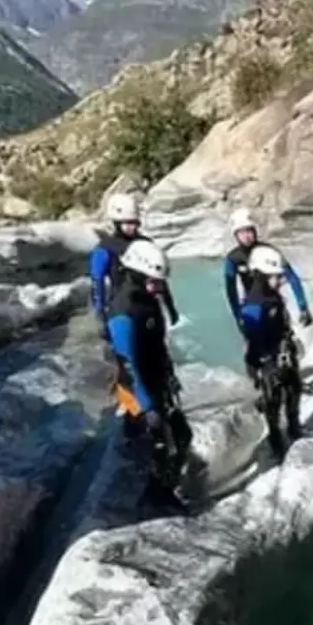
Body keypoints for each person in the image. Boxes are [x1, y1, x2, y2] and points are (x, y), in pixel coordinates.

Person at [106, 239, 192, 502]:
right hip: (135, 388)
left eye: (159, 282)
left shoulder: (147, 299)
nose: (158, 287)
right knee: (155, 444)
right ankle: (156, 496)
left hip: (155, 378)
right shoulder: (123, 310)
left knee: (181, 434)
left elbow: (157, 344)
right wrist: (147, 406)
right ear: (137, 273)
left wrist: (169, 376)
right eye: (153, 281)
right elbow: (129, 363)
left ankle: (170, 484)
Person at [238, 245, 309, 456]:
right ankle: (275, 437)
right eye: (275, 277)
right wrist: (259, 365)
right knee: (273, 398)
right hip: (268, 358)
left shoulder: (271, 296)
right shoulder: (255, 304)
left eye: (280, 277)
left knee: (294, 388)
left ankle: (294, 428)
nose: (280, 282)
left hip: (282, 351)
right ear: (260, 276)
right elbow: (252, 340)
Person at [90, 193, 179, 341]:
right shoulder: (105, 249)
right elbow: (96, 282)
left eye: (135, 223)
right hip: (122, 310)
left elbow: (159, 276)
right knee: (130, 360)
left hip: (149, 307)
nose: (132, 227)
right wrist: (100, 315)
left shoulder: (146, 243)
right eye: (128, 223)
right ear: (117, 222)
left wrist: (170, 307)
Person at [222, 208, 313, 334]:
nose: (246, 236)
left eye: (249, 231)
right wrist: (237, 317)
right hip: (252, 308)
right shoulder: (233, 259)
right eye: (242, 232)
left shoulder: (269, 251)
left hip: (273, 304)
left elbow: (292, 277)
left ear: (255, 231)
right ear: (236, 235)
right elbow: (231, 291)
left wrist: (303, 308)